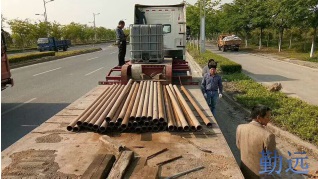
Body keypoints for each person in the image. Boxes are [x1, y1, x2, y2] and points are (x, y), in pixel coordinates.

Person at [236, 105, 276, 179]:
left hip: (244, 170)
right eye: (267, 117)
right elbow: (272, 158)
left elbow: (238, 146)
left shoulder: (240, 127)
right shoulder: (268, 135)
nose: (269, 119)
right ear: (259, 118)